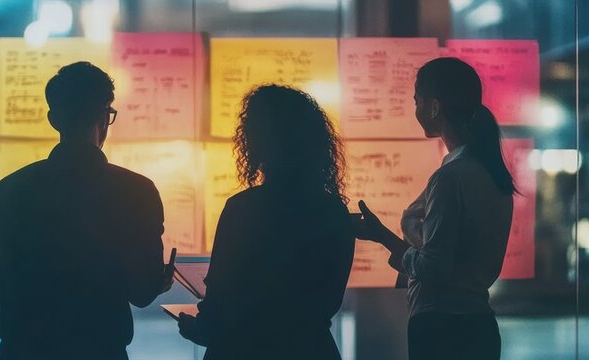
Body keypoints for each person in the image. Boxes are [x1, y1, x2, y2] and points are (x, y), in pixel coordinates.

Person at [0, 61, 173, 360]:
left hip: (24, 349)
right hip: (100, 349)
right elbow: (141, 291)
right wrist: (159, 281)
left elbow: (2, 286)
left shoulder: (13, 189)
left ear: (53, 119)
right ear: (104, 116)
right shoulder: (136, 190)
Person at [177, 84, 355, 359]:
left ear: (257, 141)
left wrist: (196, 327)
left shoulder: (243, 208)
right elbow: (328, 300)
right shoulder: (334, 211)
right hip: (311, 350)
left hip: (243, 350)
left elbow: (221, 302)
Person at [355, 57, 515, 360]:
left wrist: (381, 236)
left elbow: (434, 269)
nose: (415, 110)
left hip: (443, 330)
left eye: (417, 100)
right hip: (478, 325)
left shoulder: (450, 177)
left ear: (434, 107)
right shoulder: (490, 172)